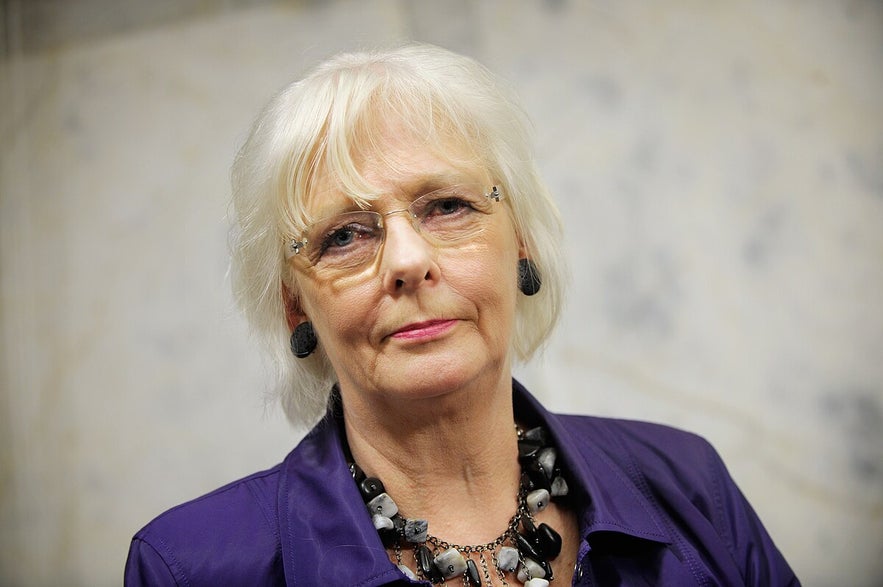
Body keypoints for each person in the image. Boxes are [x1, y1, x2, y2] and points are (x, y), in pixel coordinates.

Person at [124, 43, 800, 586]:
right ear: (294, 302)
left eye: (447, 206)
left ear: (521, 240)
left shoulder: (686, 480)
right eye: (344, 235)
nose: (407, 261)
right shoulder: (190, 566)